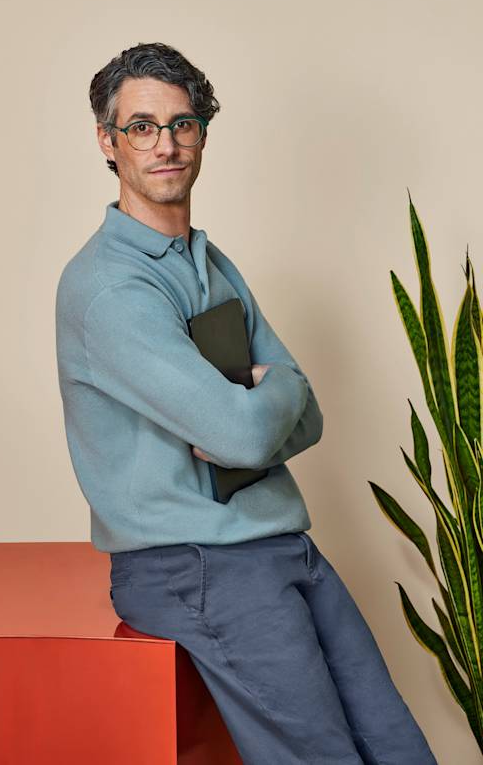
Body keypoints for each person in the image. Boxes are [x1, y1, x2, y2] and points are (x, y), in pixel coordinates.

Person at [54, 41, 437, 764]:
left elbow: (308, 414)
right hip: (195, 564)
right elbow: (243, 436)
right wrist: (267, 402)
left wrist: (278, 398)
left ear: (201, 132)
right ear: (108, 141)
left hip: (282, 542)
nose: (166, 144)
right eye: (141, 126)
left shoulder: (208, 260)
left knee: (397, 745)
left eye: (183, 123)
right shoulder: (110, 289)